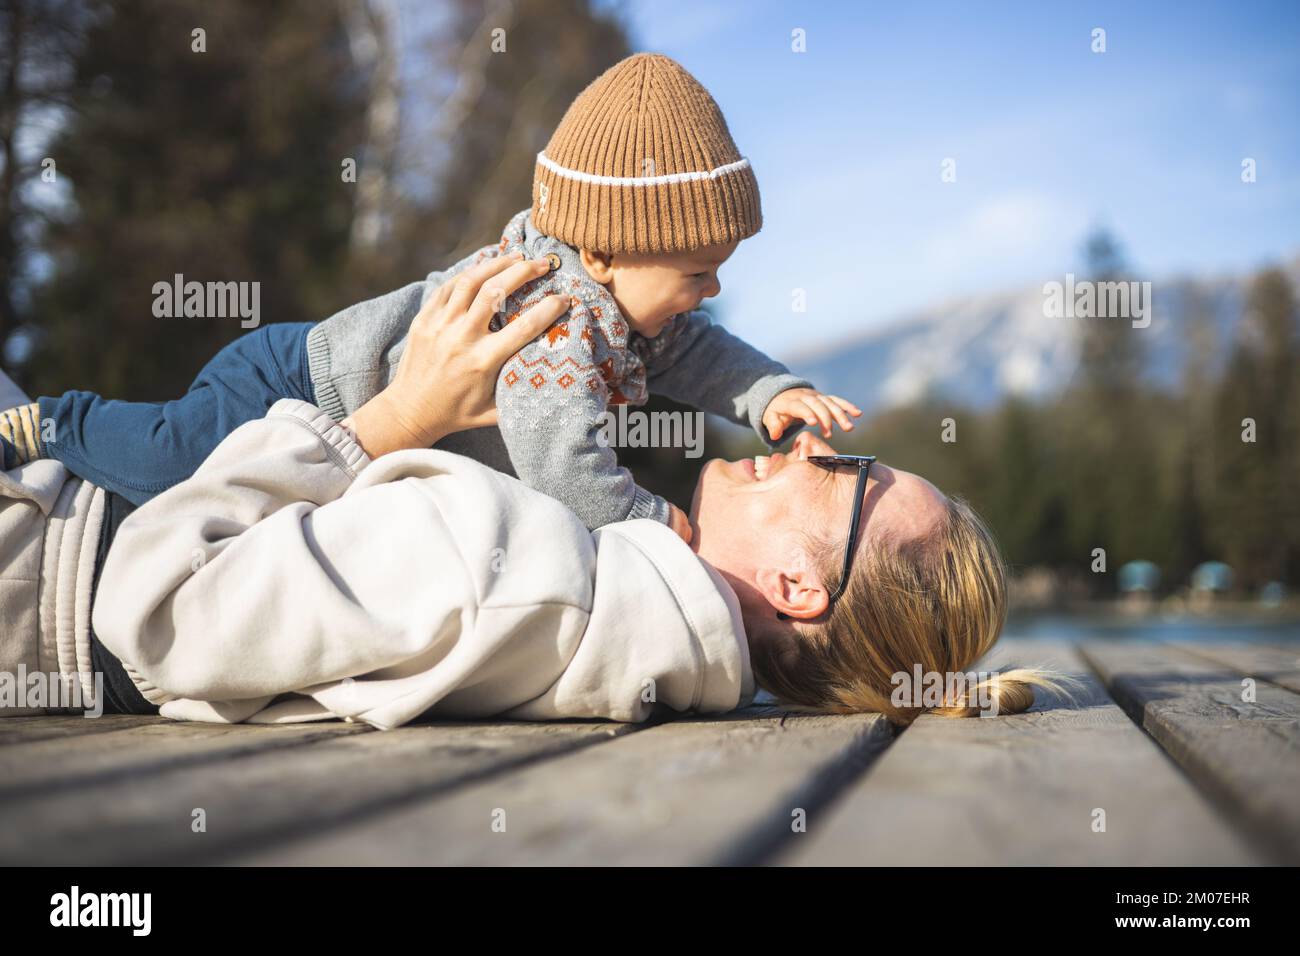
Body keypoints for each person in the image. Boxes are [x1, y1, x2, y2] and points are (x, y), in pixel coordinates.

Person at [2, 255, 1079, 728]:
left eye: (847, 472)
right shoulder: (636, 619)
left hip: (44, 546)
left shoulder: (534, 580)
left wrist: (397, 418)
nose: (809, 447)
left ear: (801, 581)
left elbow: (152, 608)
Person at [0, 52, 861, 543]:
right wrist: (650, 522)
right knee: (169, 467)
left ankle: (74, 488)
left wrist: (770, 392)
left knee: (184, 507)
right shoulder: (552, 322)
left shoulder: (624, 306)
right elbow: (563, 461)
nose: (710, 292)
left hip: (328, 406)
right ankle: (59, 422)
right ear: (602, 252)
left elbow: (702, 352)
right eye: (695, 273)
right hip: (292, 387)